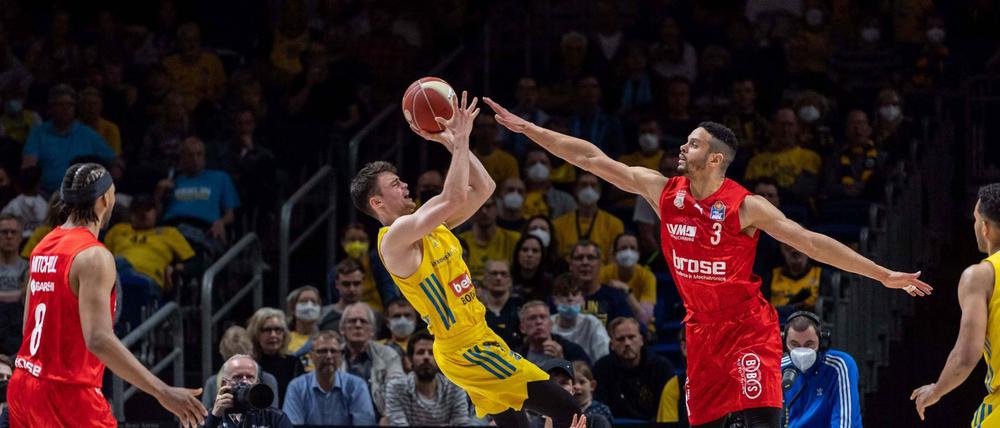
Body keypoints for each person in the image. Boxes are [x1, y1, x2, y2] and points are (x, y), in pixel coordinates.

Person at [485, 97, 930, 427]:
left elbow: (810, 242)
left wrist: (882, 274)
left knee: (763, 422)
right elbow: (589, 157)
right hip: (701, 331)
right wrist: (527, 129)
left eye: (694, 143)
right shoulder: (663, 192)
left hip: (748, 327)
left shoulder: (745, 206)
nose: (684, 146)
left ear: (715, 158)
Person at [353, 93, 582, 428]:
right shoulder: (394, 240)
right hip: (464, 348)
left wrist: (450, 142)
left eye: (400, 179)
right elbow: (455, 195)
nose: (404, 184)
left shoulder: (429, 222)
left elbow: (484, 187)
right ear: (376, 202)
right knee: (568, 409)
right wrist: (459, 138)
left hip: (480, 336)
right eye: (394, 184)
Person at [7, 163, 206, 427]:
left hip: (24, 384)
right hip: (67, 393)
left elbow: (27, 328)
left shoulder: (43, 246)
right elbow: (99, 339)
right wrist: (163, 391)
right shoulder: (94, 255)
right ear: (104, 199)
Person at [912, 183, 1000, 425]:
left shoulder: (981, 275)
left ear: (985, 228)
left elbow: (966, 354)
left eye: (975, 219)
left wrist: (936, 390)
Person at [781, 311, 861, 428]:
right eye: (794, 344)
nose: (802, 351)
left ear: (822, 342)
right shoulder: (779, 368)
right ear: (784, 344)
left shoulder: (840, 365)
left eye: (809, 344)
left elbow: (845, 423)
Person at [282, 330, 376, 425]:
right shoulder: (297, 387)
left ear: (341, 356)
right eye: (322, 351)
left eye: (334, 351)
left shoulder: (357, 386)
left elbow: (365, 423)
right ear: (311, 356)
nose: (329, 356)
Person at [592, 317, 674, 421]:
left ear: (641, 340)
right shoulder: (601, 368)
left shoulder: (662, 367)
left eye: (631, 337)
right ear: (612, 344)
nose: (627, 343)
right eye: (620, 339)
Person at [384, 330, 471, 426]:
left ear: (440, 359)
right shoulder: (396, 388)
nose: (426, 357)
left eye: (432, 352)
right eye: (420, 352)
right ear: (410, 359)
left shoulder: (455, 387)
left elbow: (461, 423)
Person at [339, 302, 405, 416]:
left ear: (372, 330)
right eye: (352, 321)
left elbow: (398, 389)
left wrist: (389, 416)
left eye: (363, 321)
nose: (358, 325)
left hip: (379, 417)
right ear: (342, 329)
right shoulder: (332, 354)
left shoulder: (388, 354)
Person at [202, 326, 280, 410]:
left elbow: (273, 417)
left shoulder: (267, 380)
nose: (243, 381)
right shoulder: (212, 383)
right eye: (236, 376)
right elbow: (206, 418)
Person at [552, 173, 624, 263]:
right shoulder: (558, 224)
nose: (588, 189)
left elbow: (613, 261)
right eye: (584, 185)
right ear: (575, 190)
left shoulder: (615, 224)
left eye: (593, 185)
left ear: (600, 191)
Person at [206, 355, 292, 428]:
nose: (245, 381)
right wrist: (214, 418)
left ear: (257, 382)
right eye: (237, 377)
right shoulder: (208, 417)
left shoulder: (275, 418)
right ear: (224, 383)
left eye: (250, 377)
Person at [247, 307, 304, 404]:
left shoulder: (294, 364)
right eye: (267, 330)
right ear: (256, 333)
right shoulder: (248, 364)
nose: (273, 335)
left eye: (278, 330)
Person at [599, 233, 656, 325]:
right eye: (623, 248)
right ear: (614, 254)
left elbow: (644, 319)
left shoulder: (648, 277)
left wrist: (627, 291)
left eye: (633, 248)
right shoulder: (603, 273)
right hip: (611, 323)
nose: (628, 252)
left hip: (639, 327)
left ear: (639, 253)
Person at [550, 275, 610, 362]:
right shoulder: (547, 325)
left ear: (582, 299)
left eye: (574, 294)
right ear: (555, 299)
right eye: (565, 295)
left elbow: (604, 357)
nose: (570, 298)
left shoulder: (592, 323)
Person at [516, 301, 592, 367]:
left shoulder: (572, 350)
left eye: (543, 317)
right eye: (532, 318)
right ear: (522, 328)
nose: (538, 322)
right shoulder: (516, 356)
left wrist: (562, 361)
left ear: (551, 324)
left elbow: (585, 377)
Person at [481, 259, 525, 347]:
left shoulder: (521, 306)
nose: (498, 278)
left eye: (503, 274)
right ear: (485, 278)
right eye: (494, 273)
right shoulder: (475, 307)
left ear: (510, 280)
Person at [285, 286, 321, 363]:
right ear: (292, 309)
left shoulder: (326, 340)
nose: (309, 306)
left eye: (314, 302)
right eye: (304, 301)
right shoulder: (284, 339)